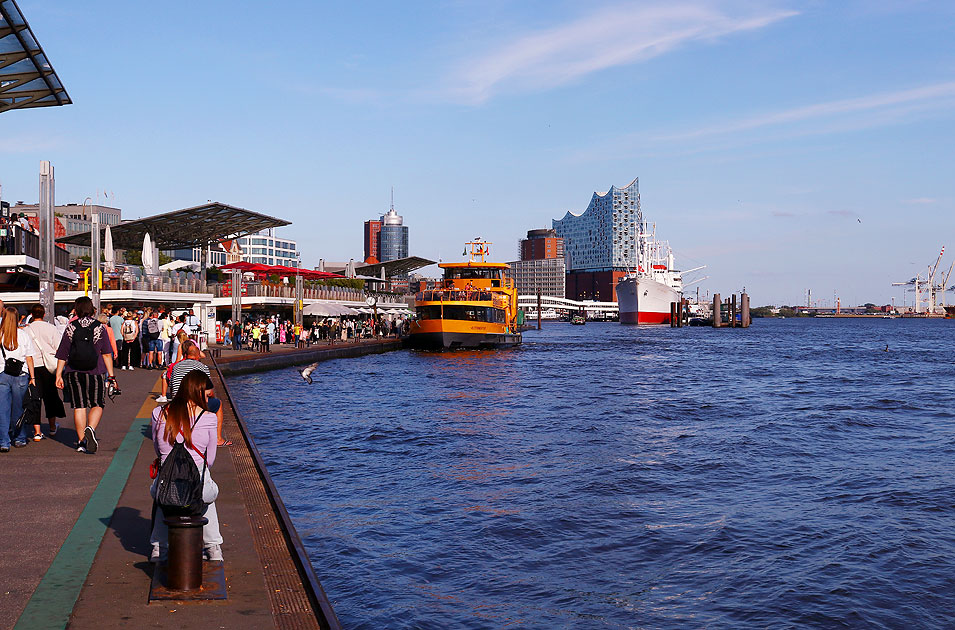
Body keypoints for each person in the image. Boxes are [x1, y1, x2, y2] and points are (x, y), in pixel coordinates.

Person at [150, 370, 223, 563]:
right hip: (196, 489)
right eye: (207, 395)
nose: (209, 400)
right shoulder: (208, 418)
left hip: (166, 485)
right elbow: (210, 460)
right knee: (206, 492)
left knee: (162, 496)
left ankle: (158, 548)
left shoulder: (158, 413)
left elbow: (157, 449)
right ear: (198, 393)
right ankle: (213, 548)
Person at [54, 296, 117, 454]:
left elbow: (63, 353)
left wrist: (58, 375)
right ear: (91, 309)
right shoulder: (99, 327)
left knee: (79, 406)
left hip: (74, 371)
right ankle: (91, 428)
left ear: (76, 309)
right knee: (97, 404)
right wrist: (111, 376)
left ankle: (81, 442)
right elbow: (107, 354)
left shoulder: (71, 327)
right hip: (95, 371)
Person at [25, 304, 65, 439]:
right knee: (51, 397)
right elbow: (59, 348)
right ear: (43, 314)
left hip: (32, 367)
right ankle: (52, 427)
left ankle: (37, 431)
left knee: (35, 398)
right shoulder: (51, 328)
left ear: (32, 314)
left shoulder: (26, 330)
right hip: (49, 367)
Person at [0, 307, 37, 451]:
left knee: (2, 410)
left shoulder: (0, 335)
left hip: (2, 374)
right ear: (17, 319)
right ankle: (19, 438)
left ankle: (4, 441)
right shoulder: (23, 335)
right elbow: (29, 358)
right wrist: (32, 377)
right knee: (19, 408)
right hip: (21, 375)